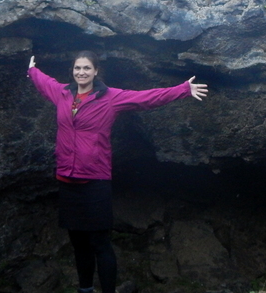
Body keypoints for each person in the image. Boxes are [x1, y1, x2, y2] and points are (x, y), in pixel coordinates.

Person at [27, 51, 207, 293]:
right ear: (73, 70)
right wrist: (32, 70)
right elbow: (44, 82)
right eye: (78, 68)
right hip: (67, 181)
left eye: (87, 68)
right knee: (79, 244)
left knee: (100, 244)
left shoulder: (111, 98)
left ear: (96, 71)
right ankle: (85, 290)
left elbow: (146, 98)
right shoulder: (62, 94)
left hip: (95, 181)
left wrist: (183, 89)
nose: (81, 72)